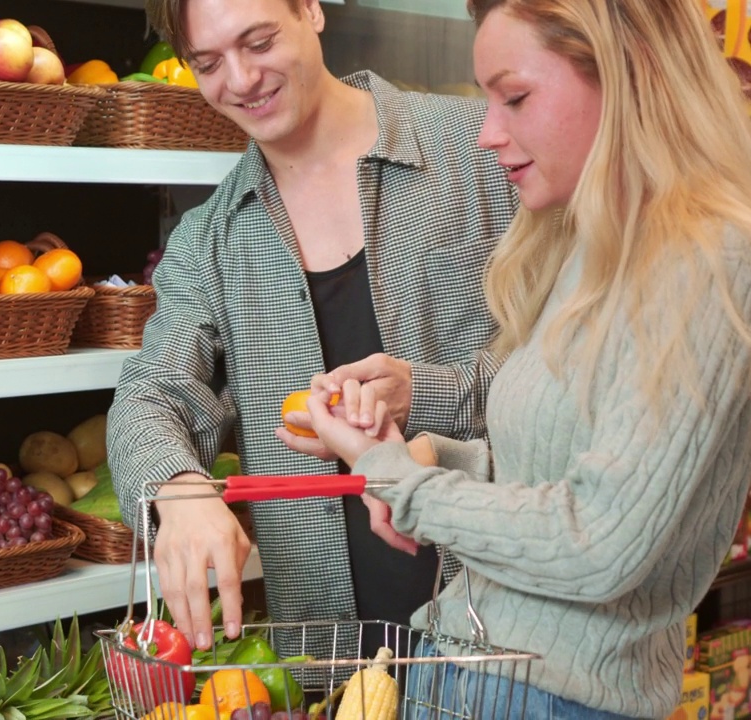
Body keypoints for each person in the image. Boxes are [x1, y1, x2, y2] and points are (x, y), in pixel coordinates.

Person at [286, 0, 751, 716]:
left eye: (517, 97)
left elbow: (602, 543)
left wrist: (395, 483)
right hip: (469, 670)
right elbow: (555, 470)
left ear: (626, 74)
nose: (487, 134)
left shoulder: (713, 256)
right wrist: (433, 458)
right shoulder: (592, 247)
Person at [106, 0, 517, 661]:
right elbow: (151, 394)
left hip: (501, 642)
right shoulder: (209, 241)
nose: (239, 80)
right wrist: (177, 491)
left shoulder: (483, 153)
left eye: (259, 41)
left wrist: (429, 393)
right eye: (207, 63)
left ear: (311, 10)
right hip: (324, 661)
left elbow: (582, 363)